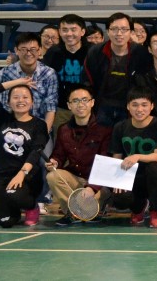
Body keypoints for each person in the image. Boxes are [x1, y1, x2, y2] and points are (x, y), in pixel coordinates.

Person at [0, 78, 49, 227]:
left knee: (14, 195)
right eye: (16, 97)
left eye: (25, 97)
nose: (21, 100)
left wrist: (22, 173)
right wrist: (19, 82)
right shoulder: (3, 119)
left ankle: (32, 206)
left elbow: (36, 151)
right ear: (9, 102)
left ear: (32, 102)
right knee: (5, 222)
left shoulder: (39, 125)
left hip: (27, 177)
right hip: (2, 177)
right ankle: (13, 210)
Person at [45, 84, 112, 226]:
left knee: (94, 199)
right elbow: (58, 155)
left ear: (92, 103)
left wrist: (92, 187)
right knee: (53, 176)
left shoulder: (105, 129)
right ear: (69, 105)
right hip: (75, 180)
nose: (80, 104)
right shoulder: (63, 129)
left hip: (98, 184)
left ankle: (87, 209)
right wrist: (55, 162)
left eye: (84, 100)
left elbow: (106, 164)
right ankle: (74, 213)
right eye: (75, 101)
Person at [111, 87, 157, 228]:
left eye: (144, 105)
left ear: (152, 106)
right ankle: (138, 208)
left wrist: (137, 156)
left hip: (155, 176)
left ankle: (156, 211)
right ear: (128, 106)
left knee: (154, 168)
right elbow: (117, 158)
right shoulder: (120, 127)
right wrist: (116, 181)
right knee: (119, 198)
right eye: (135, 105)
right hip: (131, 176)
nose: (139, 109)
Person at [85, 13, 153, 127]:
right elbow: (88, 81)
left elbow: (146, 83)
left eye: (124, 29)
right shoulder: (96, 52)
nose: (119, 33)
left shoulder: (141, 53)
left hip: (130, 108)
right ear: (108, 31)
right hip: (102, 106)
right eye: (114, 29)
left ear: (131, 32)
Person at [0, 32, 59, 131]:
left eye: (33, 49)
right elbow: (3, 106)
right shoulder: (5, 73)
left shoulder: (49, 74)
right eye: (23, 49)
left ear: (39, 51)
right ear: (16, 50)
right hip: (13, 129)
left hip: (40, 129)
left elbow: (50, 108)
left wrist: (43, 134)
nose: (28, 53)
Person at [42, 13, 89, 115]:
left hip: (88, 107)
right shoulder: (53, 52)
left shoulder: (92, 52)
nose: (69, 34)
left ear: (82, 32)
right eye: (65, 30)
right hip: (61, 108)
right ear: (59, 32)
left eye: (73, 29)